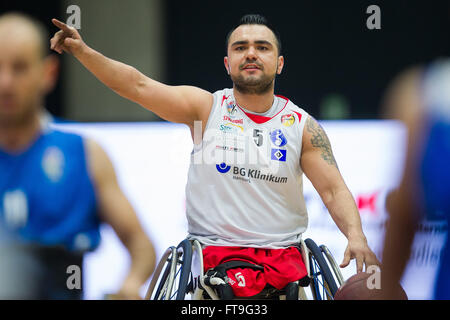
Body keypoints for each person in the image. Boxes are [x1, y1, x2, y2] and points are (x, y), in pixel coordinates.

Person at [50, 13, 379, 298]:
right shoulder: (205, 110)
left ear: (279, 63)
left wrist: (356, 235)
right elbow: (137, 86)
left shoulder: (302, 126)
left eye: (262, 47)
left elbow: (334, 190)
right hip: (212, 264)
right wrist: (83, 52)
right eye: (240, 48)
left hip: (285, 264)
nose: (251, 54)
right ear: (227, 63)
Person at [0, 12, 156, 299]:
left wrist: (130, 284)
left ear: (48, 73)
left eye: (19, 68)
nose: (5, 82)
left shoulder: (85, 154)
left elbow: (141, 245)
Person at [380, 59, 450, 299]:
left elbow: (404, 218)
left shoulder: (425, 94)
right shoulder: (427, 94)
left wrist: (385, 290)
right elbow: (404, 216)